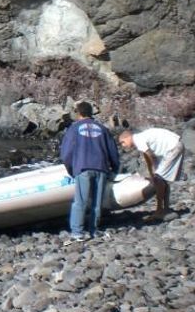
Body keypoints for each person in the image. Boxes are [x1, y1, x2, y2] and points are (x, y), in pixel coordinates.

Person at [59, 101, 120, 245]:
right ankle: (94, 229)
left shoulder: (74, 129)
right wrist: (115, 169)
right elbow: (113, 152)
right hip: (101, 167)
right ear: (91, 112)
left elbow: (66, 153)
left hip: (83, 167)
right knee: (97, 203)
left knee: (80, 201)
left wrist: (71, 170)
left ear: (78, 113)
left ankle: (77, 232)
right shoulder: (102, 128)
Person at [118, 128, 185, 220]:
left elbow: (150, 155)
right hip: (175, 146)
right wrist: (152, 172)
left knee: (159, 179)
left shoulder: (138, 139)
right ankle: (164, 209)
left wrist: (154, 173)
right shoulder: (142, 137)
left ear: (128, 137)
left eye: (123, 142)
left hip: (173, 148)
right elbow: (148, 157)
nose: (123, 145)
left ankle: (160, 211)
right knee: (161, 180)